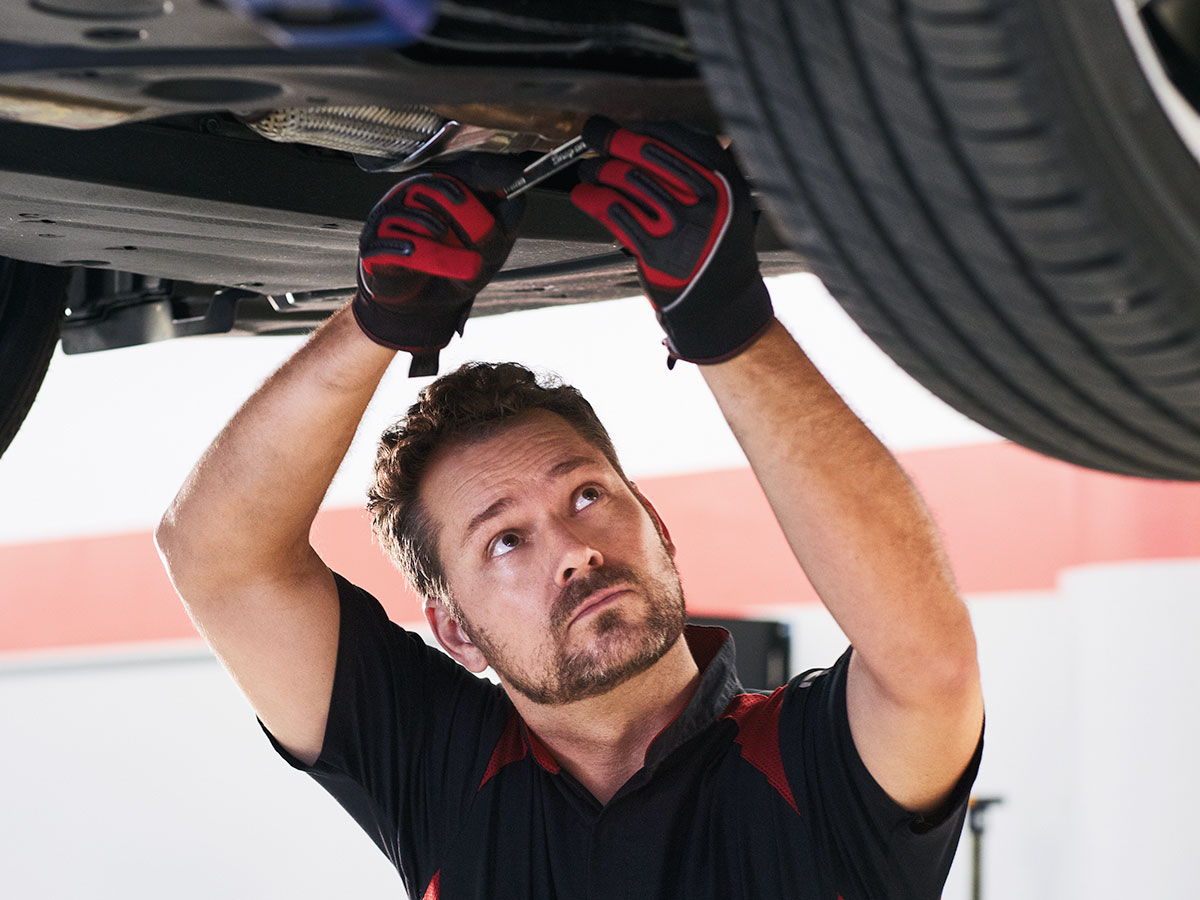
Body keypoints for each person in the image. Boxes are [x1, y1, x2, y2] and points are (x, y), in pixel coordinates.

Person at [156, 117, 984, 899]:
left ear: (657, 528)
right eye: (506, 540)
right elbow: (214, 557)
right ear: (455, 631)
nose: (574, 548)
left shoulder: (810, 764)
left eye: (587, 495)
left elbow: (928, 667)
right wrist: (374, 323)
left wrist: (723, 322)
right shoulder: (443, 768)